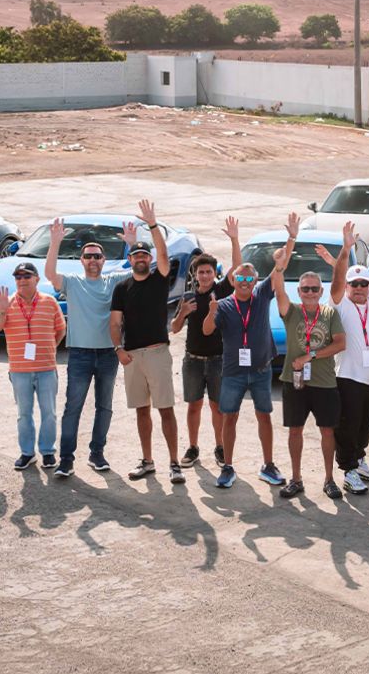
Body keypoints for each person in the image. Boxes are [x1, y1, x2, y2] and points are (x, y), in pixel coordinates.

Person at [45, 217, 136, 478]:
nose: (93, 260)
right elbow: (50, 274)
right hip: (80, 354)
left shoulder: (114, 280)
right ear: (81, 260)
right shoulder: (73, 282)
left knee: (104, 407)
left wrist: (132, 244)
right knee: (73, 407)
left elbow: (140, 270)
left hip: (109, 353)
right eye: (88, 256)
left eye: (97, 256)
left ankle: (97, 454)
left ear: (104, 260)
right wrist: (55, 242)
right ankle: (66, 460)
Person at [318, 223, 369, 494]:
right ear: (347, 286)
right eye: (353, 284)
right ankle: (348, 470)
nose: (358, 288)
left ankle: (359, 458)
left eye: (363, 284)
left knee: (364, 425)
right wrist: (345, 251)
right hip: (349, 377)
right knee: (348, 425)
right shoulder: (341, 304)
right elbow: (337, 282)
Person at [201, 216, 284, 489]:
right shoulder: (224, 304)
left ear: (256, 280)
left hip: (260, 370)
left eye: (250, 278)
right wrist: (211, 313)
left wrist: (290, 240)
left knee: (264, 416)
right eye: (241, 278)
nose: (245, 282)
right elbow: (206, 331)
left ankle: (268, 465)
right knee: (230, 417)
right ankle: (227, 466)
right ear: (233, 280)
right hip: (233, 372)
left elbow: (279, 269)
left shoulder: (262, 295)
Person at [273, 221, 348, 499]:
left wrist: (311, 355)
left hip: (324, 382)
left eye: (315, 289)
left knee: (327, 432)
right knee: (295, 432)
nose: (310, 293)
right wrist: (287, 249)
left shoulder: (329, 314)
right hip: (294, 383)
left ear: (321, 291)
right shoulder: (291, 311)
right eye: (305, 289)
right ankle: (296, 478)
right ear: (299, 291)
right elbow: (278, 287)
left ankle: (329, 479)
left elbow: (340, 343)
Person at [109, 201, 180, 483]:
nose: (140, 258)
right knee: (141, 410)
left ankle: (174, 463)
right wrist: (118, 349)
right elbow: (115, 322)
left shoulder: (159, 279)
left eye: (144, 255)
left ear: (149, 260)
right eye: (135, 254)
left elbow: (163, 253)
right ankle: (148, 461)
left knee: (166, 410)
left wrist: (152, 225)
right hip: (132, 357)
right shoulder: (122, 288)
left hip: (157, 353)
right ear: (130, 259)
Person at [0, 262, 65, 471]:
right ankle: (27, 453)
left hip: (46, 369)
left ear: (37, 279)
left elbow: (60, 329)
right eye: (18, 277)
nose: (22, 280)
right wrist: (1, 311)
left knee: (49, 413)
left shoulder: (49, 302)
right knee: (24, 414)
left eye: (26, 276)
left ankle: (48, 452)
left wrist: (48, 350)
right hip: (19, 371)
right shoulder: (7, 303)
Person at [175, 254, 234, 469]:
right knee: (194, 406)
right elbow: (174, 328)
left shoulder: (220, 291)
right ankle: (193, 447)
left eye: (209, 272)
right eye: (201, 272)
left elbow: (236, 267)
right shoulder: (188, 297)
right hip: (193, 361)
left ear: (214, 273)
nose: (205, 276)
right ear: (195, 275)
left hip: (218, 360)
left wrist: (234, 240)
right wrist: (183, 312)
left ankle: (220, 447)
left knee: (217, 407)